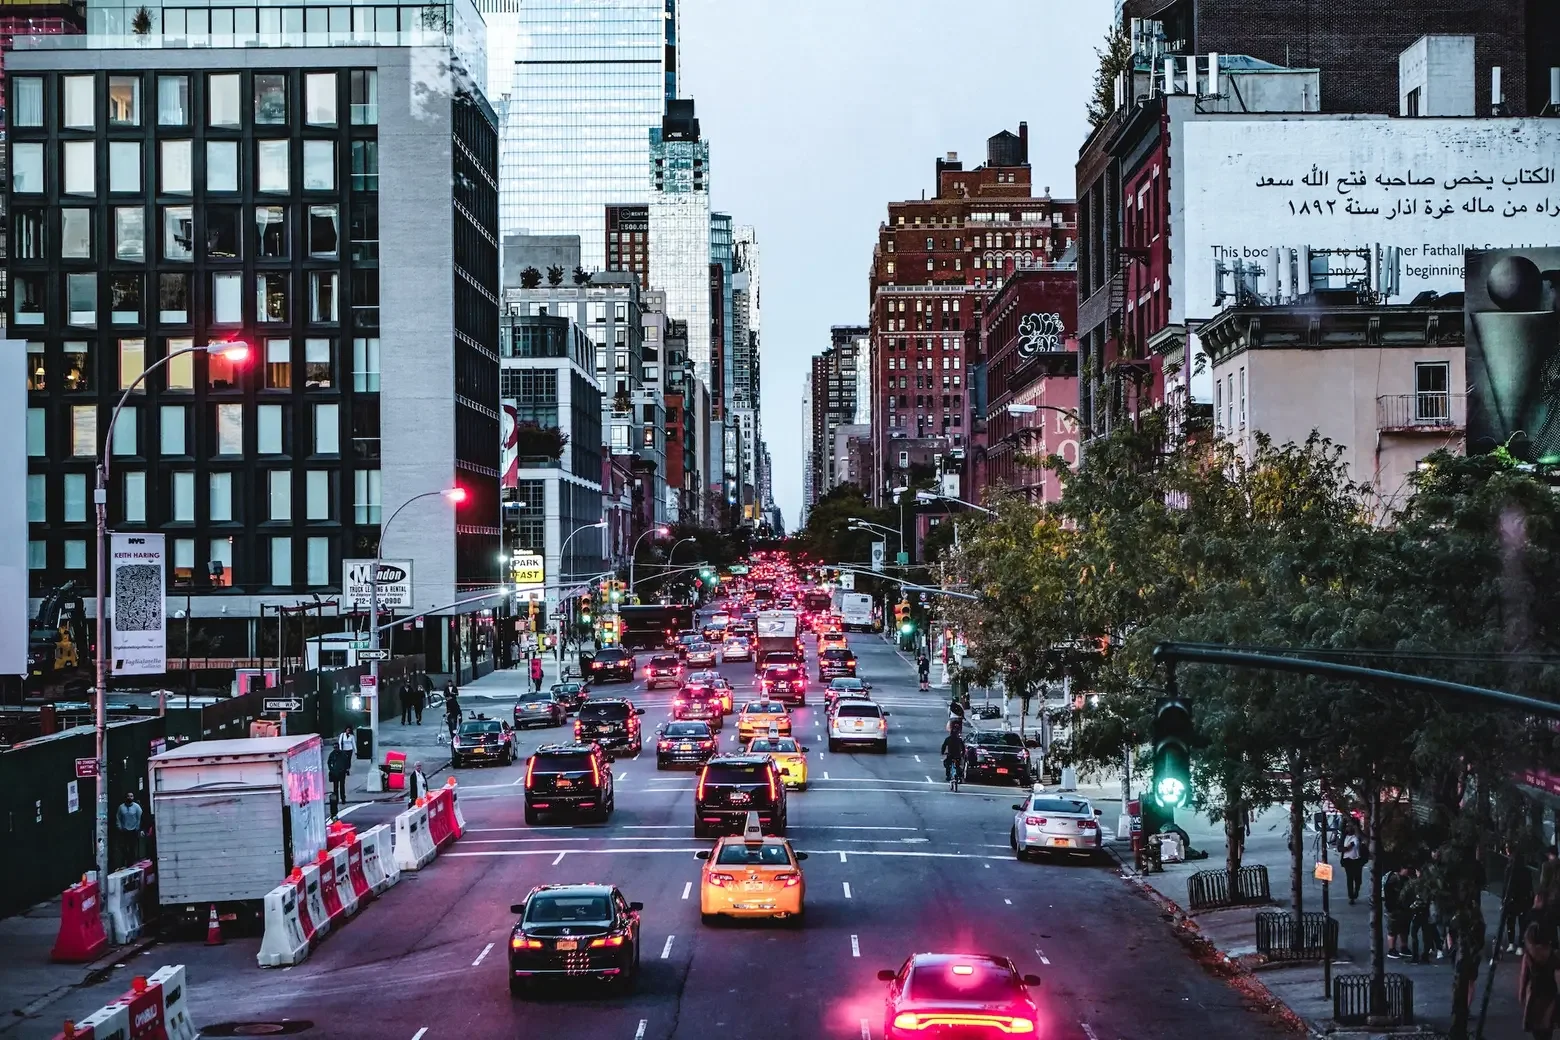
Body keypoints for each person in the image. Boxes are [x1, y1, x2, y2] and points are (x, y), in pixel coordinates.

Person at [1521, 918, 1560, 1040]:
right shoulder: (1553, 955)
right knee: (1547, 1030)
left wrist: (1521, 993)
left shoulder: (1529, 955)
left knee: (1537, 1032)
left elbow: (1523, 975)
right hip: (1549, 995)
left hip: (1535, 995)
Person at [1506, 845, 1539, 953]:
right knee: (1521, 923)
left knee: (1512, 921)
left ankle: (1512, 943)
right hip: (1522, 899)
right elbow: (1529, 887)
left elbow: (1506, 887)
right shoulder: (1525, 872)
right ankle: (1519, 944)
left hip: (1513, 899)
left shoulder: (1510, 870)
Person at [1384, 866, 1412, 959]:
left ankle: (1404, 947)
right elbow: (1388, 894)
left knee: (1404, 928)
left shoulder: (1405, 878)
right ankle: (1392, 949)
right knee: (1393, 928)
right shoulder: (1393, 879)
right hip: (1394, 908)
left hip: (1403, 908)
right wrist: (1391, 907)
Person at [113, 792, 143, 869]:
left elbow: (140, 818)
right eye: (128, 796)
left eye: (131, 796)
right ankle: (126, 860)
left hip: (133, 830)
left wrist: (138, 827)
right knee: (122, 846)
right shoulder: (121, 807)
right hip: (124, 830)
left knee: (132, 847)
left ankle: (130, 863)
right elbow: (118, 817)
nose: (130, 797)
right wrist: (119, 827)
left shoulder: (137, 807)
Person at [1340, 819, 1366, 904]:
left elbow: (1364, 845)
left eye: (1351, 826)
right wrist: (1347, 847)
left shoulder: (1358, 836)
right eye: (1348, 826)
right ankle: (1351, 897)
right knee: (1350, 879)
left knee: (1358, 879)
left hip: (1357, 860)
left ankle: (1356, 892)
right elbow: (1339, 848)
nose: (1349, 828)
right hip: (1348, 860)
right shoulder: (1344, 836)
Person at [327, 743, 351, 809]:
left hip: (342, 772)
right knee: (336, 787)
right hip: (335, 773)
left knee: (341, 786)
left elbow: (346, 762)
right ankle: (337, 800)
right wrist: (331, 769)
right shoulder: (332, 754)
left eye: (336, 747)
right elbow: (329, 762)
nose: (336, 748)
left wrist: (346, 769)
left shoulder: (342, 754)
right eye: (335, 747)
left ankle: (343, 799)